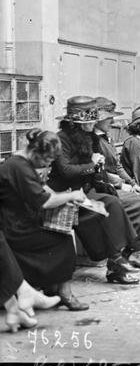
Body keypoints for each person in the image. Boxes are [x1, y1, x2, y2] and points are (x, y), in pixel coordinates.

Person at [48, 96, 140, 285]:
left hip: (84, 191)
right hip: (64, 193)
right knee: (103, 208)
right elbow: (65, 171)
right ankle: (117, 260)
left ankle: (122, 256)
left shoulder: (90, 137)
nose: (92, 124)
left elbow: (92, 171)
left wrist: (100, 169)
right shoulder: (61, 139)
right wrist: (93, 164)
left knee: (112, 202)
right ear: (76, 122)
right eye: (89, 121)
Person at [0, 128, 90, 311]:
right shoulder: (18, 167)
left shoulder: (22, 161)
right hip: (12, 225)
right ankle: (64, 293)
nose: (47, 164)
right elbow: (45, 201)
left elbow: (42, 188)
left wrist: (64, 195)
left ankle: (51, 287)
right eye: (47, 160)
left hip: (18, 219)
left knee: (58, 235)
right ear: (36, 152)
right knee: (62, 238)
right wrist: (70, 195)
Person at [93, 97, 140, 269]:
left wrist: (131, 182)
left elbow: (117, 165)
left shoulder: (106, 137)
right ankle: (135, 250)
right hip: (101, 188)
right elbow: (99, 172)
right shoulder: (92, 140)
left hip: (113, 184)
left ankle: (135, 249)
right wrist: (122, 184)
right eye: (109, 118)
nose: (113, 121)